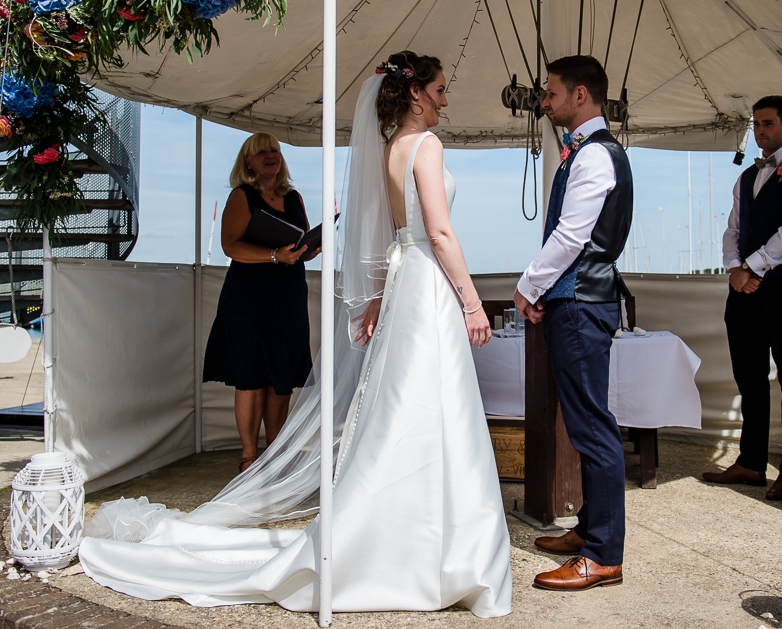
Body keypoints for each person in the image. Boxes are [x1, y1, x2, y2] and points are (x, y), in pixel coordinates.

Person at [79, 51, 512, 617]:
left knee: (403, 401)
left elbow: (393, 237)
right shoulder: (426, 147)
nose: (445, 100)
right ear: (415, 94)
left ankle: (409, 525)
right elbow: (438, 233)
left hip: (406, 282)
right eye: (439, 90)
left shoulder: (389, 151)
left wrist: (377, 300)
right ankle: (433, 535)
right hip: (427, 284)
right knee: (431, 401)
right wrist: (472, 303)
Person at [514, 55, 633, 592]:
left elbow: (571, 236)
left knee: (592, 426)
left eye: (551, 93)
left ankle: (603, 555)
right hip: (577, 301)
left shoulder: (596, 154)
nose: (544, 102)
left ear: (579, 95)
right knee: (585, 423)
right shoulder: (584, 151)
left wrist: (527, 286)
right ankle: (588, 528)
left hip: (584, 302)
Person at [702, 96, 782, 501]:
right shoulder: (746, 175)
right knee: (749, 378)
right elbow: (732, 228)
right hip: (742, 290)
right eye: (756, 124)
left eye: (768, 123)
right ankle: (751, 462)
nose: (760, 131)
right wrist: (735, 269)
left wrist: (752, 268)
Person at [202, 134, 315, 473]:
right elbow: (230, 246)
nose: (270, 155)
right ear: (248, 162)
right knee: (251, 377)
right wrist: (274, 255)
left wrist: (310, 247)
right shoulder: (242, 196)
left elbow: (301, 244)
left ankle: (276, 453)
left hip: (288, 298)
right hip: (249, 298)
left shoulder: (294, 197)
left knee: (281, 377)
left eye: (275, 150)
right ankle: (249, 457)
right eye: (262, 152)